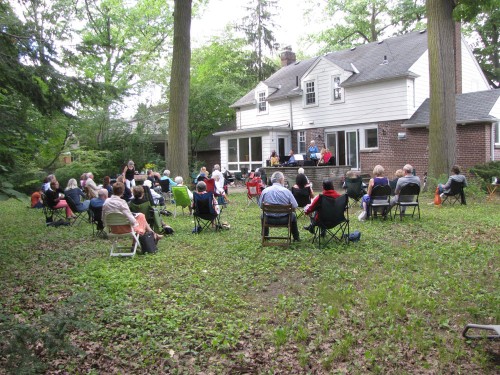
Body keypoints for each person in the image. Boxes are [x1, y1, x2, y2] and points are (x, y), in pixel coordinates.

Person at [259, 171, 300, 242]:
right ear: (281, 180)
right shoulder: (287, 192)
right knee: (293, 215)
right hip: (285, 220)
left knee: (262, 215)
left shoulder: (265, 191)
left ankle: (265, 235)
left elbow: (261, 206)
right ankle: (296, 237)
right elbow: (295, 206)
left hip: (268, 219)